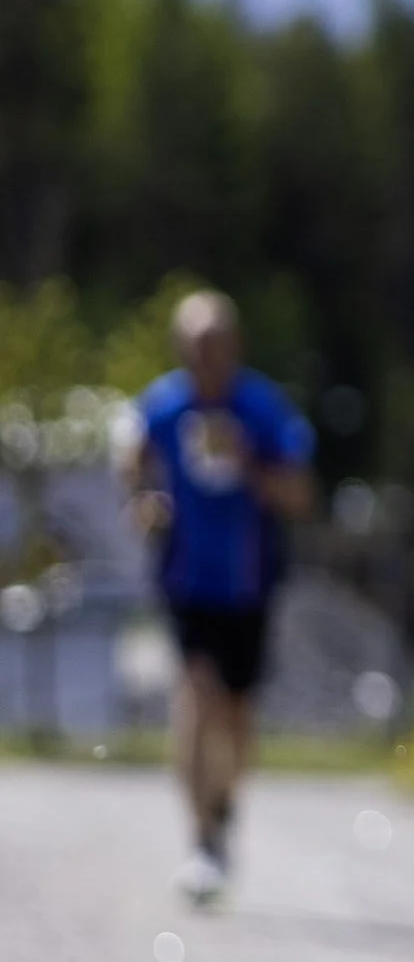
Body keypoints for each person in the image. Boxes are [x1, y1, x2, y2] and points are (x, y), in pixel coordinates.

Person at [121, 291, 315, 903]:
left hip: (249, 582)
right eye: (195, 346)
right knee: (196, 696)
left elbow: (300, 495)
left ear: (234, 346)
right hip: (186, 580)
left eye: (215, 345)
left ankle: (224, 806)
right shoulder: (163, 404)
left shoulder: (261, 408)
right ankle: (201, 838)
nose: (205, 357)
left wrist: (248, 465)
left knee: (236, 715)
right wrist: (144, 501)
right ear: (181, 348)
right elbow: (131, 460)